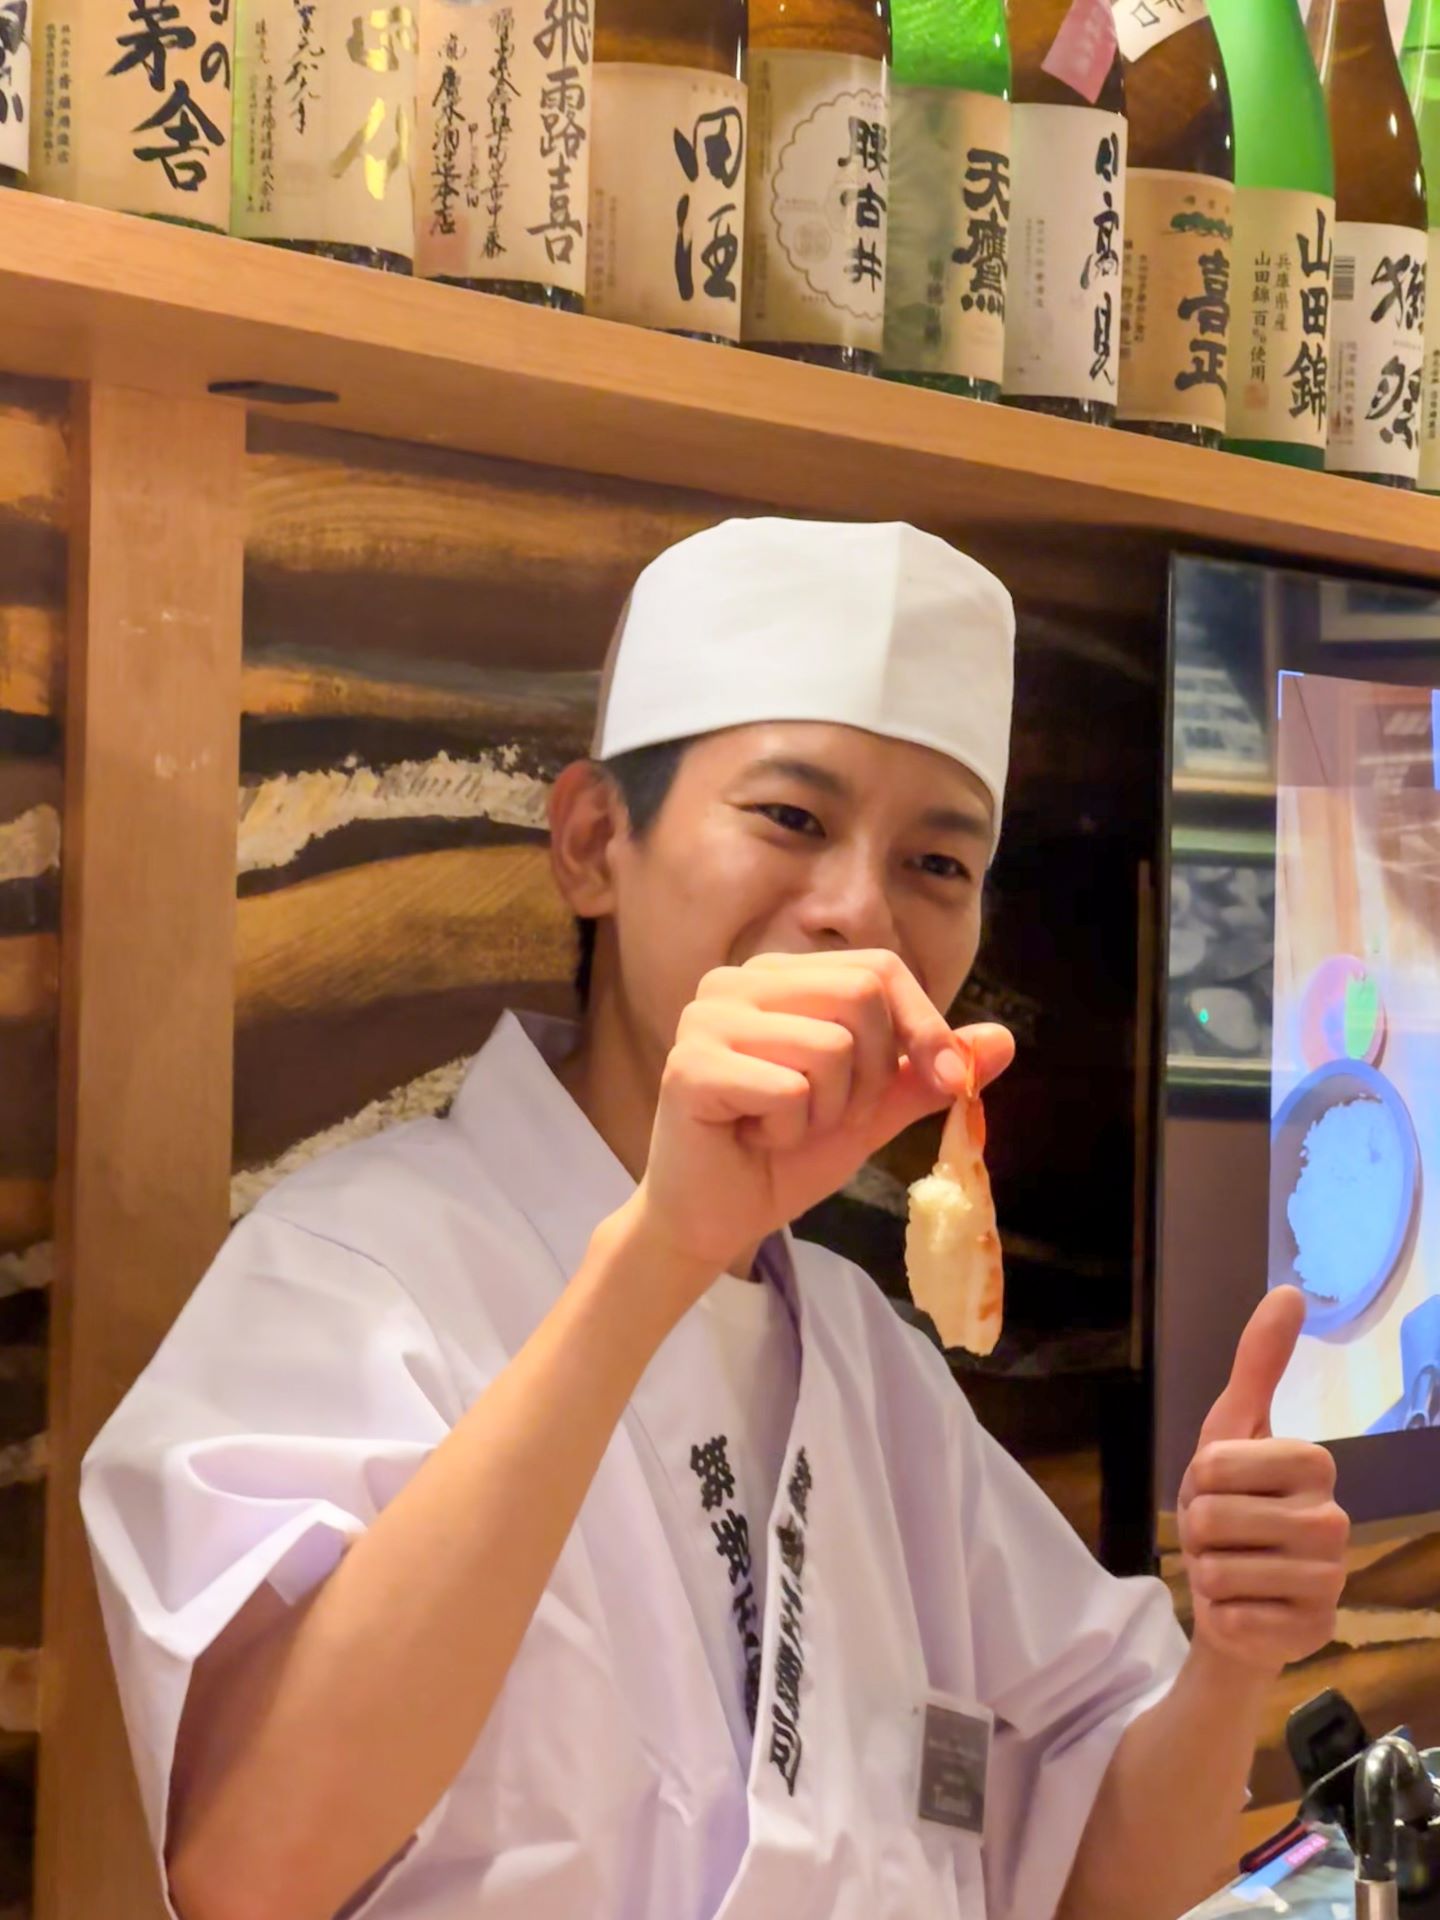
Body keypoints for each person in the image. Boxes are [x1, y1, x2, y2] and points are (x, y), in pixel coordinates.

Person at [81, 520, 1348, 1920]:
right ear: (591, 844)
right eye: (791, 819)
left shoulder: (874, 1370)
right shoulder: (355, 1275)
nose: (858, 909)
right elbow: (243, 1865)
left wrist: (1232, 1652)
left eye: (937, 863)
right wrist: (658, 1257)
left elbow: (1109, 1884)